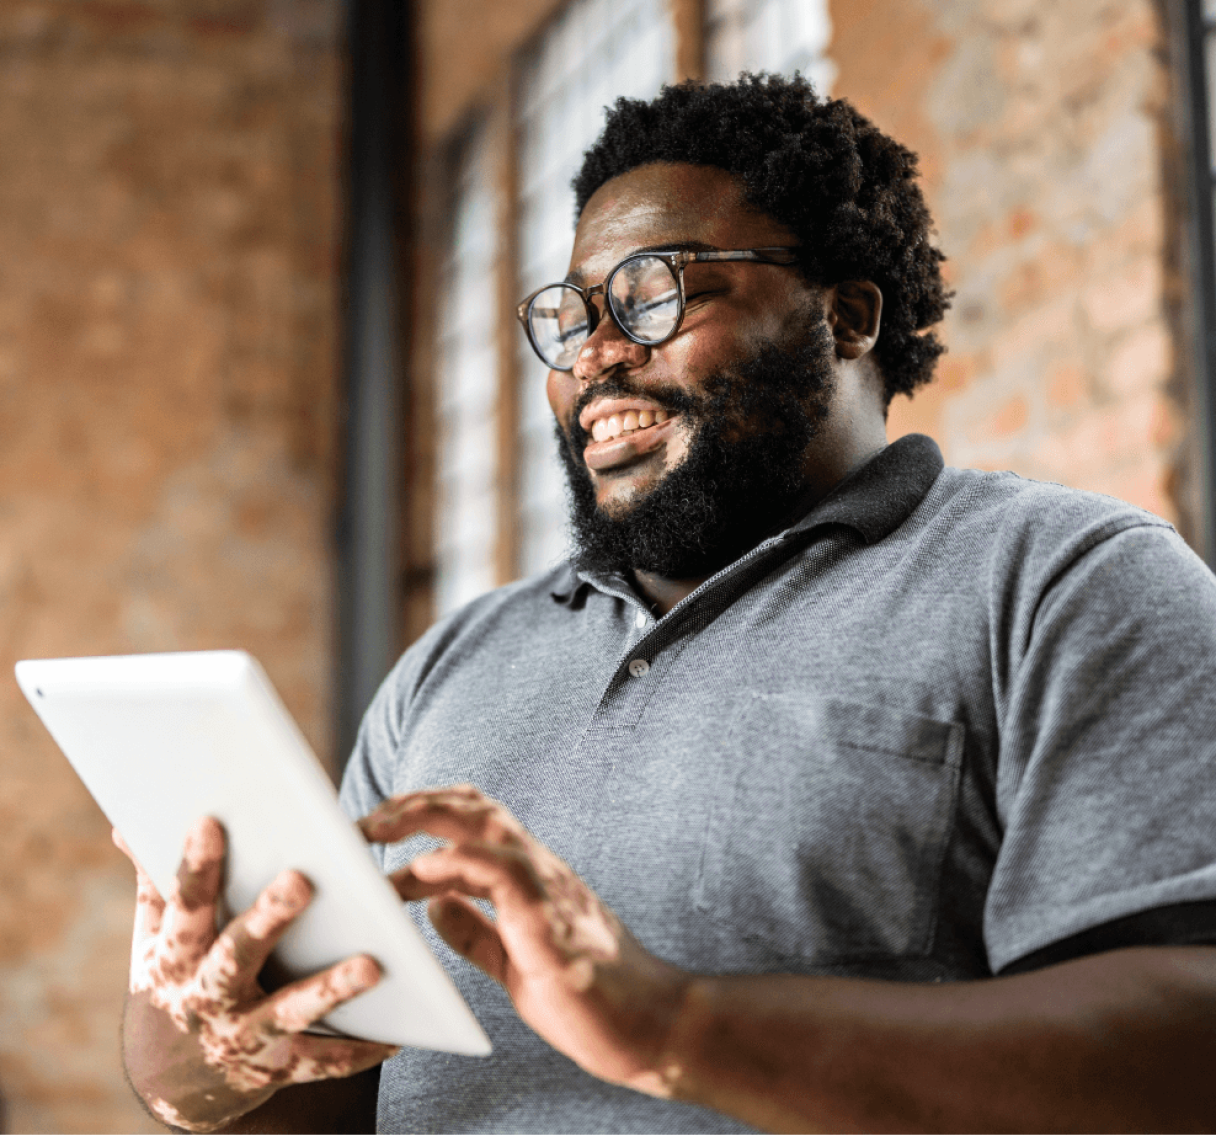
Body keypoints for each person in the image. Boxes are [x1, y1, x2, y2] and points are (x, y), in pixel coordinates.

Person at [118, 75, 1216, 1134]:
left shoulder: (1061, 581)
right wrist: (208, 1055)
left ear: (844, 316)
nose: (593, 354)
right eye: (568, 314)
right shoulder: (449, 665)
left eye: (652, 291)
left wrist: (672, 1023)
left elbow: (1185, 1054)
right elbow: (344, 1096)